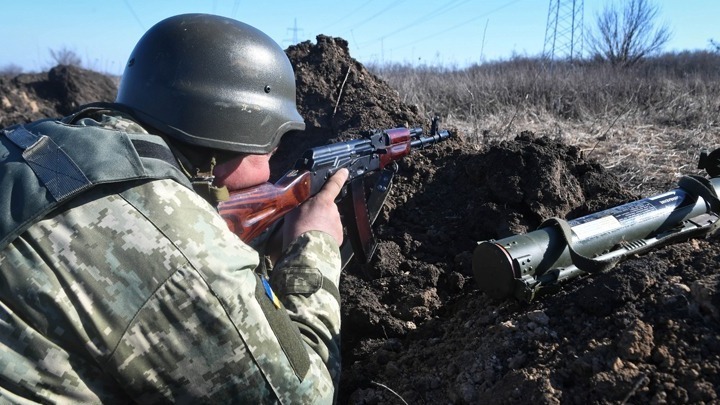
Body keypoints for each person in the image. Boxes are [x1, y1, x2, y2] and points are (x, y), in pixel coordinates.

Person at [0, 13, 348, 403]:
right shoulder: (180, 250)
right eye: (273, 145)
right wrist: (314, 246)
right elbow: (305, 398)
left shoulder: (42, 144)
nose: (270, 166)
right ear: (234, 130)